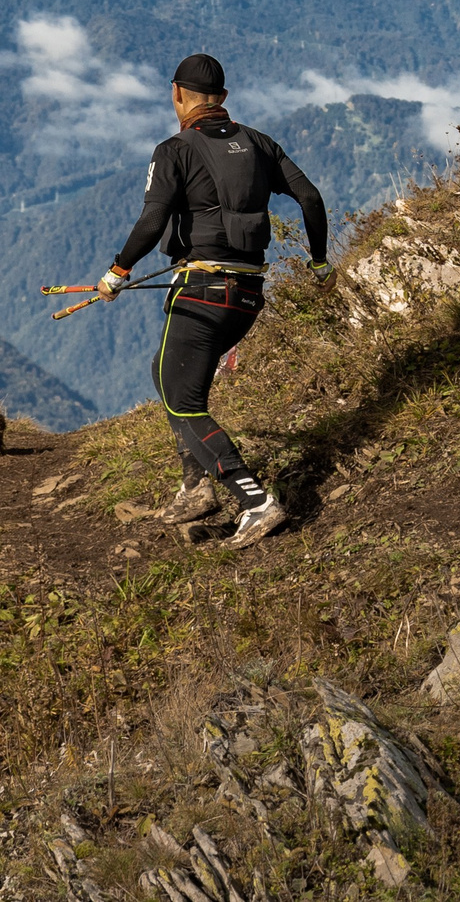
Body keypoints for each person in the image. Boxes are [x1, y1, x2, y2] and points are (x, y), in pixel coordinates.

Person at [97, 53, 328, 549]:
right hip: (247, 296)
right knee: (165, 372)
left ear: (176, 93)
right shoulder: (261, 143)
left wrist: (117, 272)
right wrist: (320, 263)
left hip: (202, 291)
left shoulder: (174, 150)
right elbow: (310, 198)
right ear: (222, 98)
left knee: (183, 401)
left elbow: (153, 220)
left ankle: (255, 502)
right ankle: (195, 487)